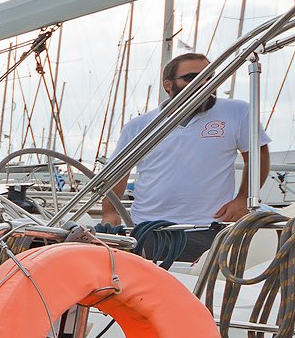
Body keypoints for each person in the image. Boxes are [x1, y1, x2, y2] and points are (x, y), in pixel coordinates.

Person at [101, 51, 269, 266]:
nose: (204, 83)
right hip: (148, 229)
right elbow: (118, 172)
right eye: (192, 77)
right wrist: (109, 212)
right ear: (168, 85)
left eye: (209, 76)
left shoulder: (237, 112)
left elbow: (258, 156)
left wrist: (243, 199)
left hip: (209, 227)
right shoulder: (139, 126)